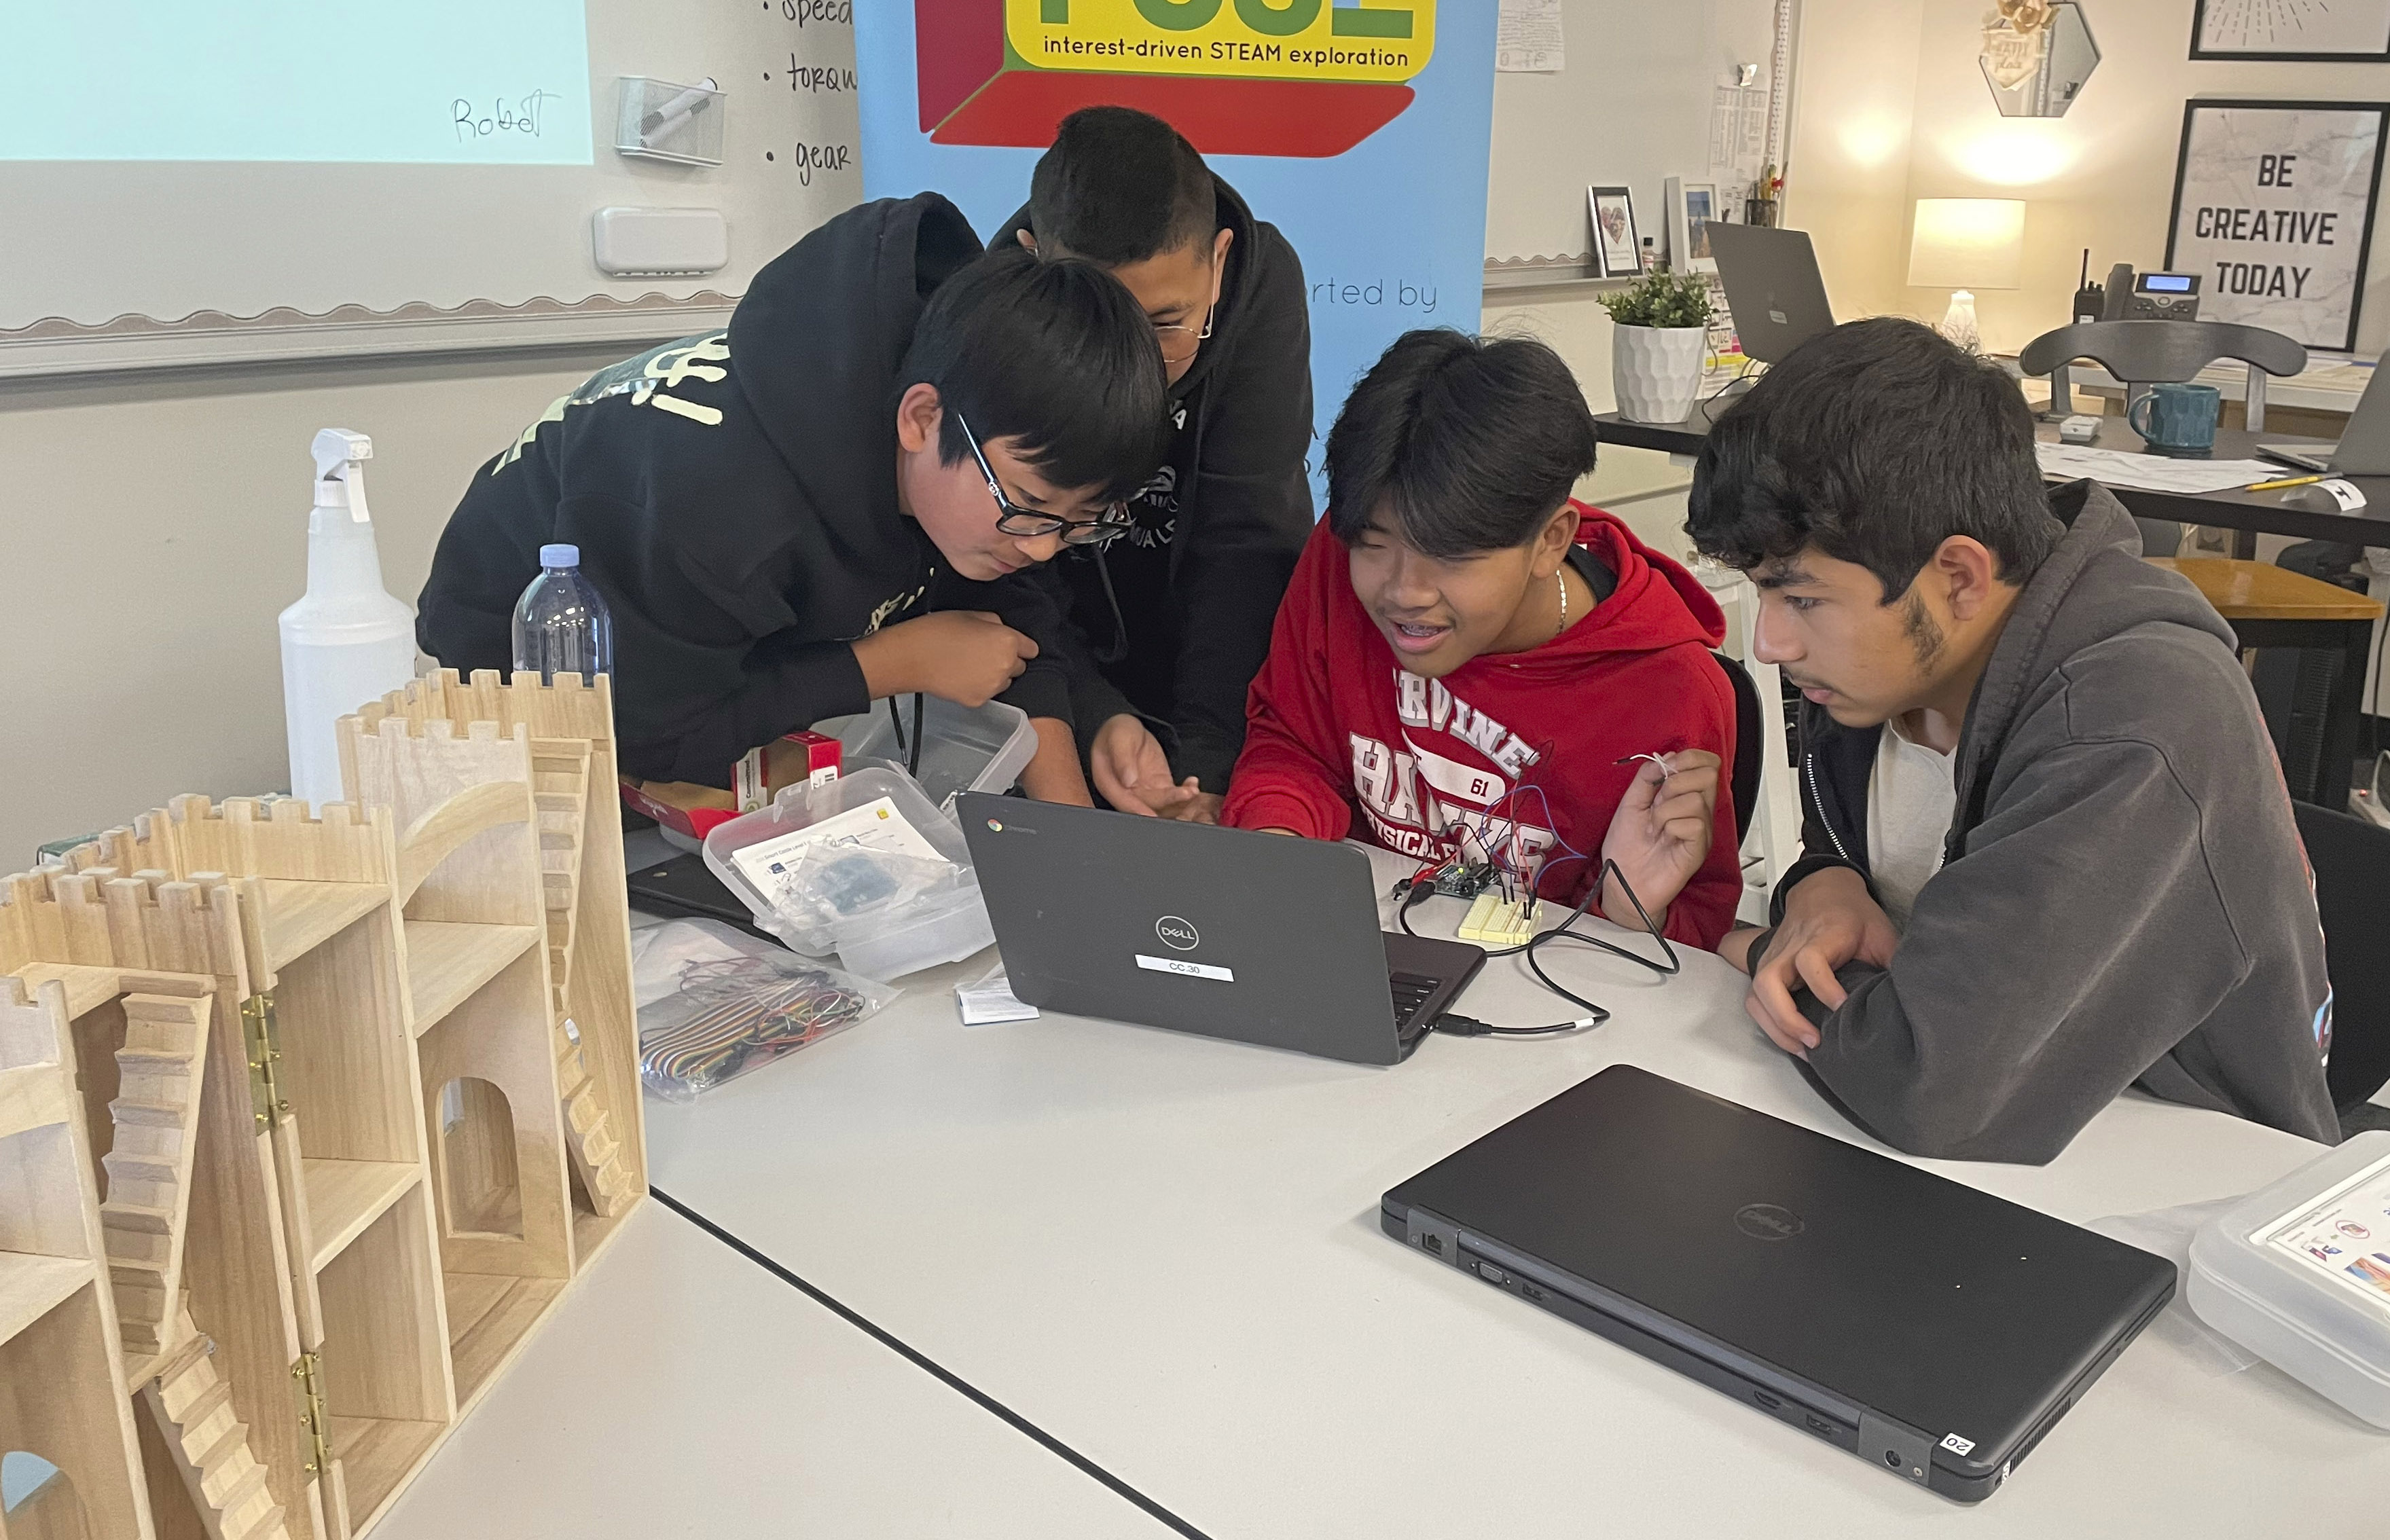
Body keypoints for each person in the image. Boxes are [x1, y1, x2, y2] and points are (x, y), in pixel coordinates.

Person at [1684, 318, 2337, 1163]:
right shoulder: (1875, 668)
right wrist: (1821, 885)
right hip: (1947, 1151)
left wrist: (1754, 946)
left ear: (1958, 576)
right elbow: (1854, 857)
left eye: (1799, 600)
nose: (1768, 644)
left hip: (2179, 1174)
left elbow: (1926, 1078)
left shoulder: (2138, 717)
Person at [417, 198, 1167, 794]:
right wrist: (886, 664)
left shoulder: (988, 439)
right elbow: (645, 734)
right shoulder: (721, 512)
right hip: (524, 695)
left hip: (700, 662)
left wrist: (1074, 834)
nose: (1039, 545)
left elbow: (1020, 615)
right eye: (1030, 509)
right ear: (921, 419)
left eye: (1075, 527)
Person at [1223, 330, 1741, 952]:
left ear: (1551, 540)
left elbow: (1693, 940)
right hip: (1346, 950)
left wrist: (1630, 907)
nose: (1404, 592)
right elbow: (1292, 743)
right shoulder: (1334, 562)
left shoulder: (1672, 694)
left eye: (1450, 555)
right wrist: (1276, 843)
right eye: (1373, 543)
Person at [996, 106, 1315, 824]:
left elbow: (1247, 540)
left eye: (1164, 324)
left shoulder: (1261, 290)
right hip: (1049, 672)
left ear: (1220, 261)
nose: (1133, 364)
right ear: (1031, 262)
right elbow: (1009, 569)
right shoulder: (993, 313)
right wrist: (1092, 708)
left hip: (1211, 662)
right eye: (1097, 318)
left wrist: (1205, 758)